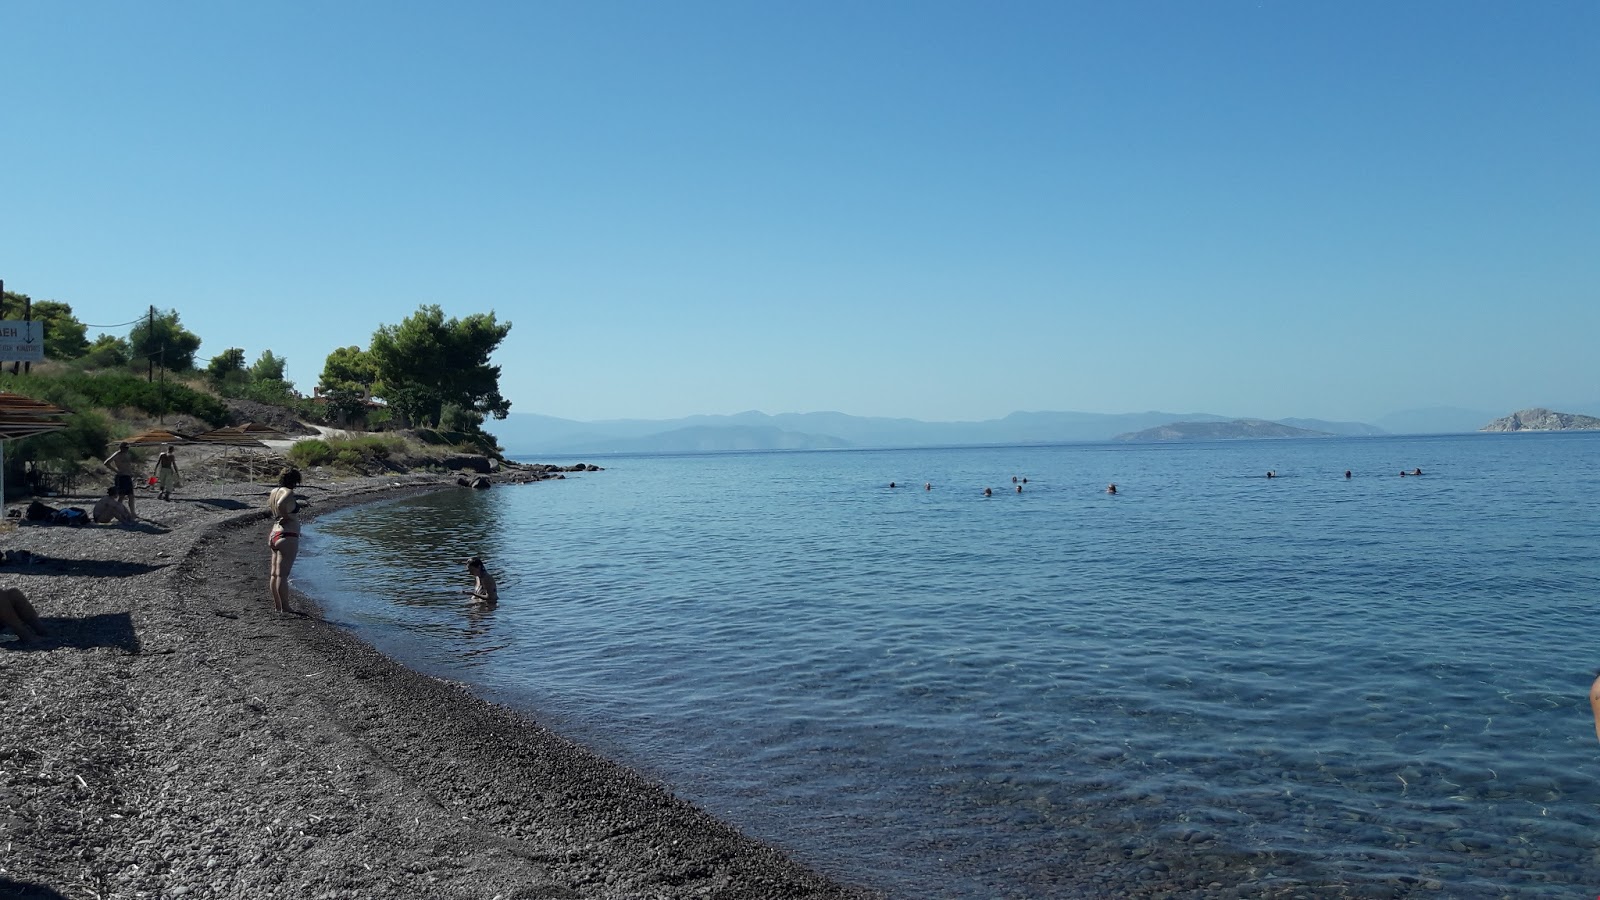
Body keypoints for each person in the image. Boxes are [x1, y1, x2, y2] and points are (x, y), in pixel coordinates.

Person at [267, 468, 305, 615]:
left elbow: (274, 505)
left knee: (274, 574)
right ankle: (286, 607)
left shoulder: (273, 492)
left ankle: (278, 606)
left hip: (274, 533)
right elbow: (282, 504)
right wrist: (286, 516)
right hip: (287, 535)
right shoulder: (288, 492)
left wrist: (281, 515)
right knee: (282, 575)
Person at [104, 442, 136, 520]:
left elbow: (128, 465)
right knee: (121, 496)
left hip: (127, 476)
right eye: (125, 448)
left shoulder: (127, 455)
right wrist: (116, 471)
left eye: (127, 448)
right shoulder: (117, 454)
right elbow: (106, 463)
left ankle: (133, 513)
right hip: (121, 477)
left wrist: (131, 473)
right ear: (121, 447)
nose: (127, 449)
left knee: (131, 496)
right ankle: (118, 512)